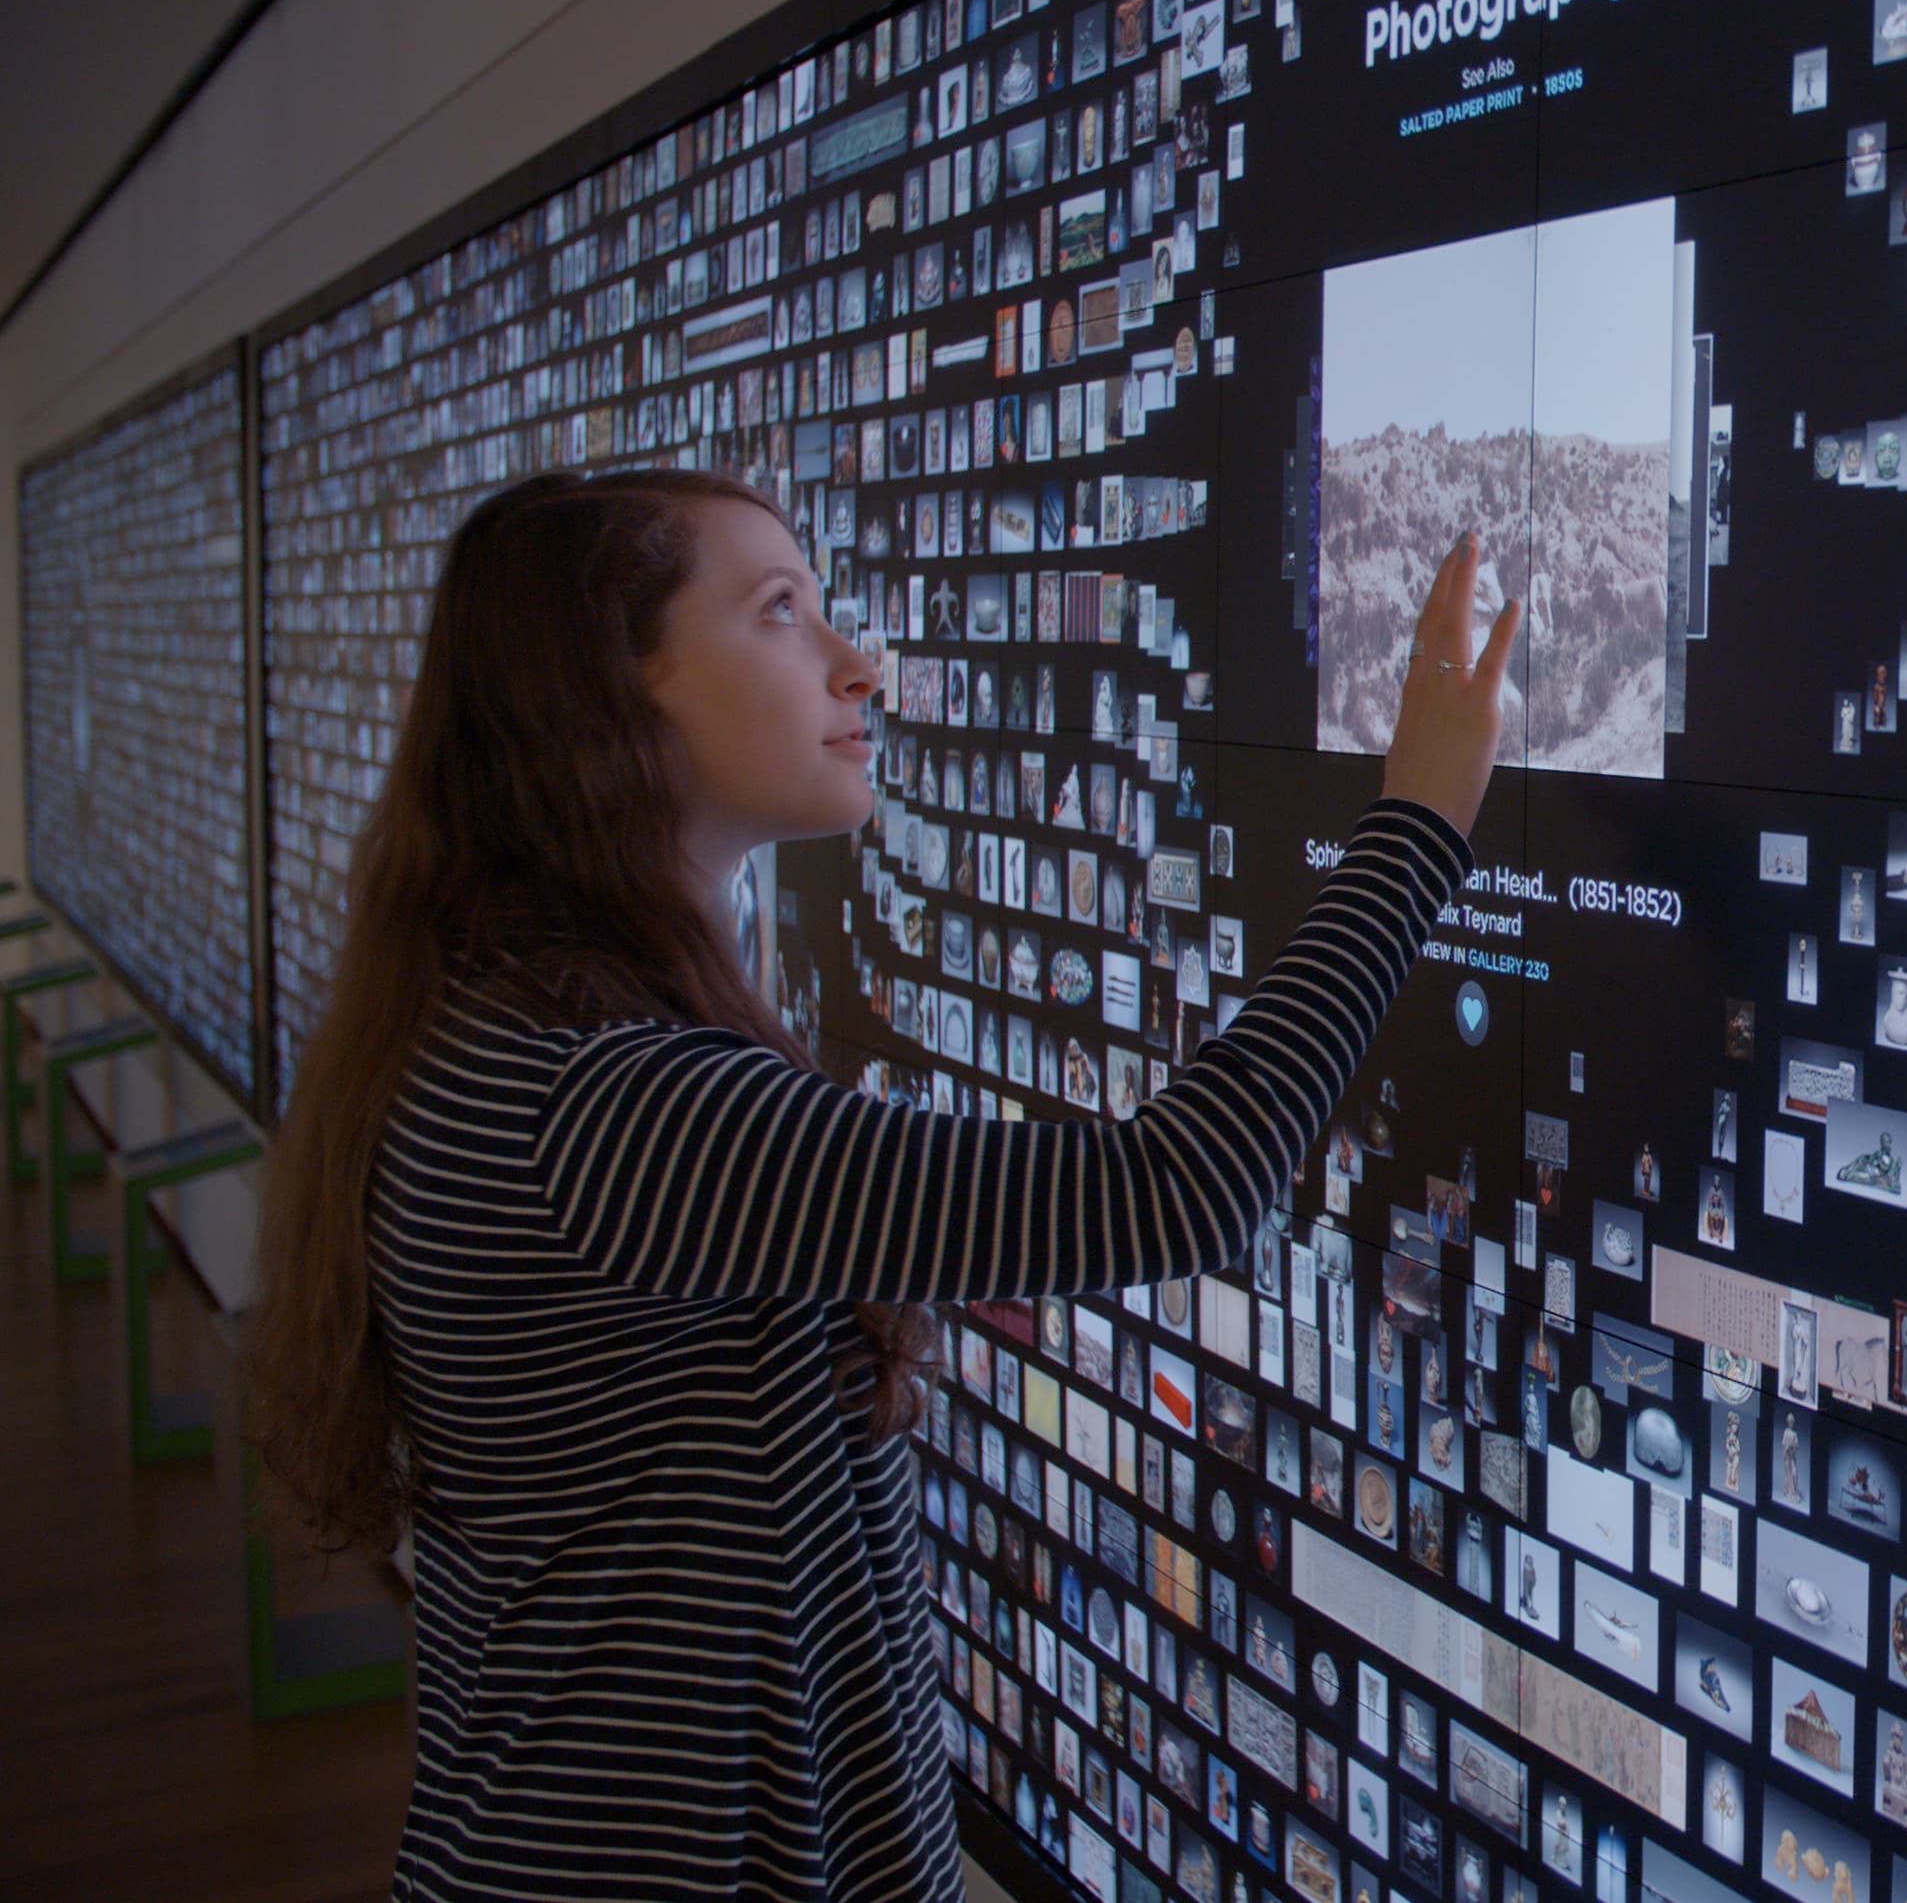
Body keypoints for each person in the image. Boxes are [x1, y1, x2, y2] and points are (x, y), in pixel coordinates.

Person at [244, 469, 1518, 1901]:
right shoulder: (599, 1104)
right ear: (606, 691)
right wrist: (1417, 826)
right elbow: (1177, 1188)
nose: (860, 665)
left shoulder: (510, 1030)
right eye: (781, 612)